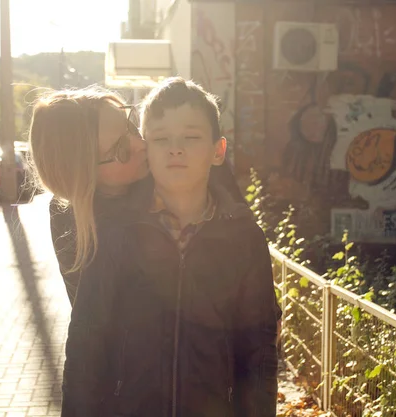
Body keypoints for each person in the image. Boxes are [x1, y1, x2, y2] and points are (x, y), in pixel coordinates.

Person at [61, 78, 280, 417]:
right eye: (160, 138)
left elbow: (259, 350)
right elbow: (86, 346)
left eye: (191, 137)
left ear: (218, 150)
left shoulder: (244, 239)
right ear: (145, 150)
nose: (175, 148)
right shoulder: (114, 233)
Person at [29, 87, 149, 303]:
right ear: (84, 174)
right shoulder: (73, 221)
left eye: (132, 126)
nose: (141, 144)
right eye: (121, 149)